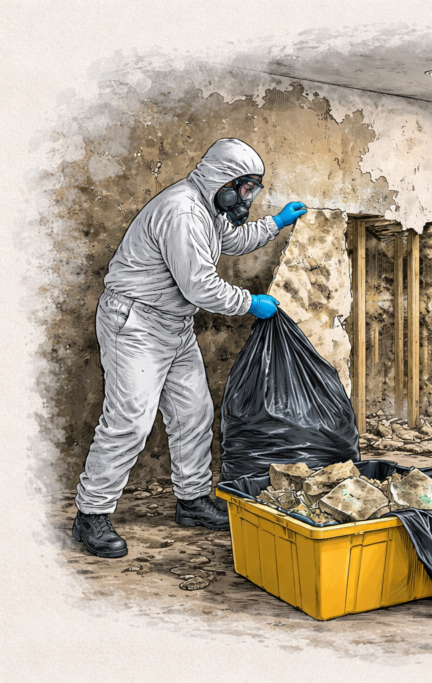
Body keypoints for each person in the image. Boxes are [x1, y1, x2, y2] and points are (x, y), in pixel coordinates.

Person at [72, 138, 308, 558]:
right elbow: (200, 286)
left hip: (172, 323)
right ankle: (91, 514)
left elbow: (230, 241)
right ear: (222, 179)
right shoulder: (182, 211)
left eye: (253, 189)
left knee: (193, 413)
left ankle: (193, 502)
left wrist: (275, 223)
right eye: (244, 187)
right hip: (137, 322)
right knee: (129, 421)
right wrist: (249, 303)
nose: (247, 197)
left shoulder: (206, 205)